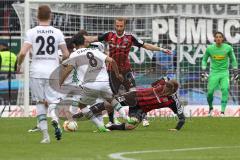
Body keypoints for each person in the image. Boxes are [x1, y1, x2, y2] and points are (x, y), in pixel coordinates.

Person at [85, 17, 172, 127]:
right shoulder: (109, 35)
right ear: (115, 25)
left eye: (121, 26)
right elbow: (93, 39)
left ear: (124, 26)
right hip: (112, 72)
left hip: (126, 71)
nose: (119, 28)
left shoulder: (130, 37)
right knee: (111, 97)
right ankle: (112, 121)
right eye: (117, 26)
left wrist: (162, 49)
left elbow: (145, 45)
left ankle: (142, 117)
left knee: (134, 94)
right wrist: (80, 39)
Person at [17, 5, 69, 143]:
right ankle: (55, 119)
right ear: (51, 16)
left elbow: (23, 53)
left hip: (36, 72)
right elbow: (66, 54)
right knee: (52, 101)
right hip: (52, 71)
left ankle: (46, 137)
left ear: (37, 16)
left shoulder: (32, 32)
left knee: (40, 103)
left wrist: (19, 64)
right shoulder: (57, 32)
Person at [60, 33, 124, 132]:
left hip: (90, 83)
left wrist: (60, 81)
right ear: (83, 41)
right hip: (101, 81)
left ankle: (105, 123)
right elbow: (110, 60)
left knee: (88, 104)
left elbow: (67, 68)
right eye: (86, 39)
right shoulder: (94, 49)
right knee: (102, 103)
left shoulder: (80, 52)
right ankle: (111, 121)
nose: (88, 40)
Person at [73, 78, 185, 131]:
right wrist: (159, 83)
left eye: (167, 90)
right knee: (109, 105)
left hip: (141, 109)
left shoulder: (173, 101)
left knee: (130, 126)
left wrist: (177, 129)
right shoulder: (162, 83)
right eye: (164, 87)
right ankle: (80, 114)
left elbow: (182, 118)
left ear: (173, 91)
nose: (163, 90)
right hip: (134, 96)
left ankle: (110, 127)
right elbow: (153, 83)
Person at [201, 31, 238, 117]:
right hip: (214, 73)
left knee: (225, 89)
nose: (218, 38)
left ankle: (222, 112)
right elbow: (204, 59)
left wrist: (235, 70)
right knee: (210, 92)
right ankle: (210, 108)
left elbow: (233, 59)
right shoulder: (210, 48)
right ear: (214, 39)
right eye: (216, 37)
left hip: (224, 73)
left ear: (223, 38)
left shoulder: (228, 48)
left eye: (220, 37)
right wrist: (203, 69)